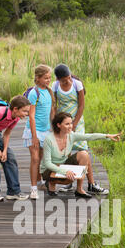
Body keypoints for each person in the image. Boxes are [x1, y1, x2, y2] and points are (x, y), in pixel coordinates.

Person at [40, 112, 122, 198]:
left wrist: (107, 136)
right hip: (48, 170)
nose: (71, 126)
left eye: (71, 123)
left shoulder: (71, 135)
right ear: (59, 125)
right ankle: (51, 182)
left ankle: (79, 189)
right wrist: (65, 172)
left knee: (84, 154)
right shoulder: (49, 139)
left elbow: (88, 136)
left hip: (62, 166)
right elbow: (47, 164)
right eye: (67, 124)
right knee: (68, 178)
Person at [22, 64, 55, 200]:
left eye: (49, 78)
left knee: (41, 158)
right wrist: (34, 137)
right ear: (38, 78)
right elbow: (31, 115)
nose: (48, 80)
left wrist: (55, 130)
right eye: (46, 78)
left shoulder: (49, 91)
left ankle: (41, 182)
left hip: (46, 131)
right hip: (33, 130)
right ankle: (33, 188)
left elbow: (52, 112)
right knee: (35, 159)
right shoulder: (33, 93)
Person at [52, 63, 87, 193]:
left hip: (77, 121)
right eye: (64, 79)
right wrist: (55, 123)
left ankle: (84, 184)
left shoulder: (77, 84)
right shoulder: (55, 86)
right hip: (62, 122)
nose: (68, 80)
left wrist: (75, 124)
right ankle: (68, 182)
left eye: (69, 77)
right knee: (66, 152)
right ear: (58, 79)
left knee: (83, 151)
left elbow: (81, 106)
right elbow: (54, 106)